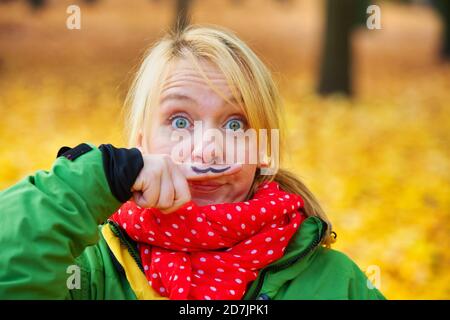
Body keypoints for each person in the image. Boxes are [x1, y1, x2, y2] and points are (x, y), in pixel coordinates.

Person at [0, 25, 385, 300]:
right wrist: (87, 184)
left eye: (235, 124)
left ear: (262, 152)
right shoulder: (87, 271)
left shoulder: (338, 283)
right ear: (140, 143)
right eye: (180, 121)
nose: (208, 150)